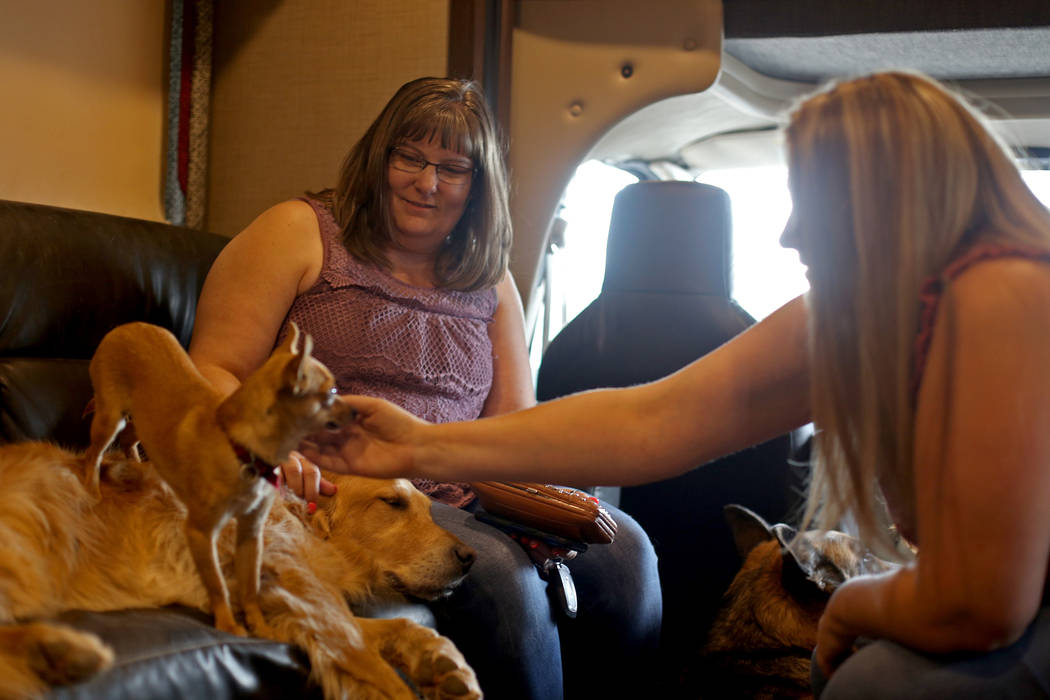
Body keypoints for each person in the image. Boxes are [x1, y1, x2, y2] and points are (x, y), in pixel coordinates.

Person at [303, 71, 1050, 698]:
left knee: (875, 680)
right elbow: (649, 420)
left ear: (890, 201)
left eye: (812, 200)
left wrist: (853, 607)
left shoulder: (1001, 292)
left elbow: (981, 605)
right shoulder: (862, 317)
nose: (789, 234)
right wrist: (425, 444)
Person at [188, 76, 661, 700]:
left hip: (470, 492)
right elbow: (211, 370)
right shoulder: (299, 232)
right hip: (344, 492)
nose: (427, 181)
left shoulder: (491, 283)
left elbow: (514, 423)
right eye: (409, 157)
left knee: (630, 554)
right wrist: (273, 454)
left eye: (453, 168)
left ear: (477, 186)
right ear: (379, 158)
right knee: (499, 580)